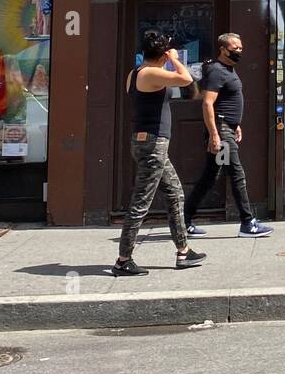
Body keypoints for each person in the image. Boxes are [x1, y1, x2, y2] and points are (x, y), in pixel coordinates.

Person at [113, 30, 206, 276]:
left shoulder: (134, 74)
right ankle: (123, 259)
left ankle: (183, 251)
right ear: (162, 55)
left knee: (175, 193)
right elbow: (186, 79)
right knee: (141, 202)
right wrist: (176, 58)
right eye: (167, 53)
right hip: (152, 144)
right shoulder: (150, 73)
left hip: (147, 142)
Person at [183, 32, 273, 238]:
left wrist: (236, 125)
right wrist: (216, 134)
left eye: (241, 47)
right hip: (222, 132)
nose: (239, 51)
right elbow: (207, 103)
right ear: (223, 49)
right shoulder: (217, 71)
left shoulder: (228, 70)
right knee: (236, 174)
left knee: (211, 175)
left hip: (227, 128)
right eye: (235, 48)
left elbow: (228, 100)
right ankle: (247, 222)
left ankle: (184, 219)